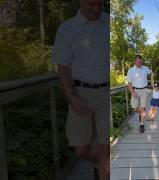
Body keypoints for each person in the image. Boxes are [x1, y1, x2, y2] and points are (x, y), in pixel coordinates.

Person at [51, 0, 109, 179]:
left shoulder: (109, 22)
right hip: (80, 93)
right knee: (81, 149)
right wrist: (70, 95)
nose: (96, 9)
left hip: (107, 93)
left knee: (106, 149)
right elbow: (63, 67)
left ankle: (104, 167)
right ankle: (100, 164)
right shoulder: (67, 28)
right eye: (91, 5)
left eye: (100, 4)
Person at [126, 55, 152, 133]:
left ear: (142, 61)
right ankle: (142, 112)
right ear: (134, 61)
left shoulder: (145, 68)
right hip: (135, 91)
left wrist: (152, 75)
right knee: (134, 108)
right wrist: (132, 92)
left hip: (144, 90)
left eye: (140, 62)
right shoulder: (131, 70)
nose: (139, 64)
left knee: (143, 107)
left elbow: (151, 73)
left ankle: (141, 124)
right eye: (137, 62)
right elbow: (129, 83)